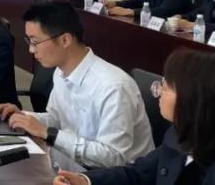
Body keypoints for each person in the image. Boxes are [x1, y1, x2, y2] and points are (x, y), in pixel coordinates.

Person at [0, 4, 153, 170]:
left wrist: (48, 133)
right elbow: (56, 119)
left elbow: (113, 158)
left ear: (65, 40)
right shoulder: (60, 72)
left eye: (35, 42)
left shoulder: (113, 87)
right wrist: (23, 117)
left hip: (116, 175)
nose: (31, 50)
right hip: (75, 166)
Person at [55, 49, 215, 184]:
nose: (158, 92)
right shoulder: (177, 133)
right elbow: (138, 173)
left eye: (165, 88)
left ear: (191, 99)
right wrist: (85, 180)